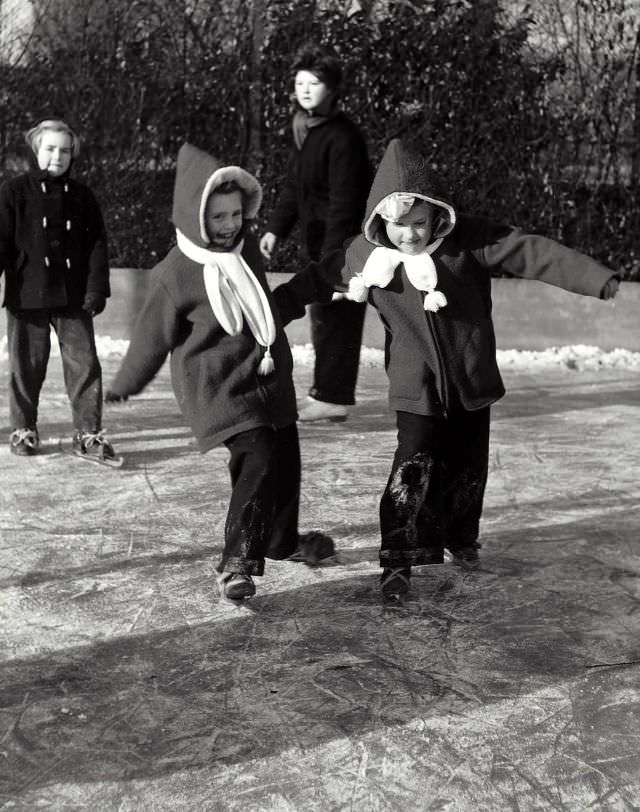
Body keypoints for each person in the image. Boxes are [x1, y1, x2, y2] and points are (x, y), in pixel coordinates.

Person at [276, 137, 621, 597]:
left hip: (471, 380)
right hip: (414, 385)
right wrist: (265, 312)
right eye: (398, 225)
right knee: (411, 469)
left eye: (419, 223)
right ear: (381, 220)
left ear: (437, 214)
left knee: (467, 468)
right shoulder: (366, 256)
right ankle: (398, 558)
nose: (410, 235)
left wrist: (597, 278)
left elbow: (533, 252)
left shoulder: (468, 242)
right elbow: (312, 282)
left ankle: (462, 538)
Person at [105, 143, 335, 601]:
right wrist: (126, 383)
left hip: (268, 378)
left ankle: (282, 541)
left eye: (235, 215)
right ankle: (236, 563)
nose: (229, 225)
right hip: (219, 388)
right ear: (195, 217)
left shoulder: (245, 249)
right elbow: (151, 336)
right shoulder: (176, 271)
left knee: (286, 464)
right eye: (217, 217)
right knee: (259, 459)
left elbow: (261, 307)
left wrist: (314, 285)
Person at [259, 42, 371, 423]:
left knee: (338, 320)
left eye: (315, 83)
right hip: (320, 245)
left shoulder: (343, 137)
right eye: (300, 82)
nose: (305, 89)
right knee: (323, 318)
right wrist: (276, 228)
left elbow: (345, 200)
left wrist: (336, 259)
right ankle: (326, 392)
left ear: (333, 89)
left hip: (342, 247)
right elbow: (295, 188)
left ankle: (333, 396)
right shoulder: (306, 130)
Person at [0, 118, 117, 461]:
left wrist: (96, 289)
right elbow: (1, 242)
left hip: (73, 295)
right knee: (26, 366)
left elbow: (97, 244)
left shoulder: (82, 196)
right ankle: (24, 429)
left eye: (65, 150)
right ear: (36, 149)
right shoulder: (14, 192)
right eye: (50, 148)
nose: (58, 156)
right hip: (27, 294)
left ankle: (88, 433)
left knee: (84, 364)